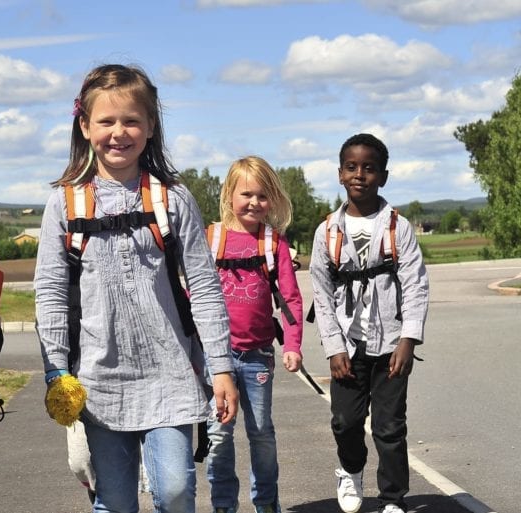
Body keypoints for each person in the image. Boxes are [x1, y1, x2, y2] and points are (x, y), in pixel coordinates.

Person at [34, 63, 238, 513]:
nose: (118, 132)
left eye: (131, 120)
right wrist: (55, 373)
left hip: (170, 373)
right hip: (98, 378)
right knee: (117, 501)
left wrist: (220, 367)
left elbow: (204, 287)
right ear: (85, 126)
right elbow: (50, 291)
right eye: (106, 121)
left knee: (176, 491)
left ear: (150, 127)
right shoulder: (64, 204)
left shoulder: (173, 198)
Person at [309, 133, 429, 513]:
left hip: (391, 344)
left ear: (384, 176)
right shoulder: (327, 231)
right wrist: (333, 347)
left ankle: (393, 498)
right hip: (348, 345)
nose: (360, 174)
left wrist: (409, 339)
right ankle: (350, 469)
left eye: (369, 168)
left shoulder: (399, 227)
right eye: (351, 167)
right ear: (340, 174)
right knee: (345, 422)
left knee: (390, 428)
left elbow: (415, 284)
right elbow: (322, 294)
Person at [205, 156, 304, 513]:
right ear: (229, 194)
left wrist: (292, 345)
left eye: (262, 196)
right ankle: (223, 506)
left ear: (272, 199)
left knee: (261, 433)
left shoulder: (272, 242)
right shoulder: (211, 239)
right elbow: (190, 295)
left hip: (256, 356)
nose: (254, 202)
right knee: (218, 436)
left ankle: (266, 505)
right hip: (215, 360)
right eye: (246, 194)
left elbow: (291, 299)